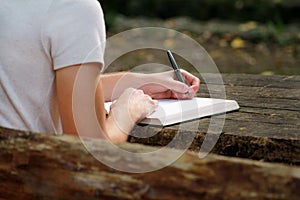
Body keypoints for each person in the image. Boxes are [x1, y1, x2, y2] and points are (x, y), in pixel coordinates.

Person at [0, 0, 199, 142]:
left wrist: (133, 80)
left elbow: (31, 85)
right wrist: (125, 113)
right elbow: (89, 151)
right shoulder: (74, 8)